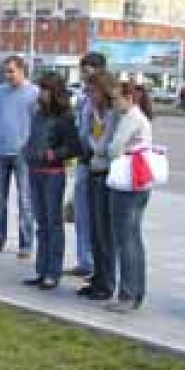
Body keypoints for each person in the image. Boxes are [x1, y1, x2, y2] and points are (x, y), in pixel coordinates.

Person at [21, 72, 82, 289]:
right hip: (35, 170)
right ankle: (42, 269)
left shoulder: (64, 117)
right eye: (41, 89)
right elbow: (33, 137)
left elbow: (74, 147)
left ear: (55, 92)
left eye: (46, 90)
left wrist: (54, 154)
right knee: (41, 223)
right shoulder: (38, 114)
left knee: (53, 223)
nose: (42, 94)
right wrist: (27, 150)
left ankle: (53, 272)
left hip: (53, 174)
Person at [0, 55, 38, 259]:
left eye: (11, 71)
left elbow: (38, 124)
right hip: (0, 152)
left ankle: (26, 244)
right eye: (5, 71)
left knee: (25, 201)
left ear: (22, 70)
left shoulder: (34, 93)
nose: (8, 75)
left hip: (23, 154)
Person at [104, 80, 154, 312]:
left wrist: (114, 150)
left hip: (128, 185)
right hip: (139, 183)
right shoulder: (138, 117)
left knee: (125, 240)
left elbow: (114, 148)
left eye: (116, 99)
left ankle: (127, 294)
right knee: (134, 239)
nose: (113, 103)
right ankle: (137, 291)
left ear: (129, 98)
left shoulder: (131, 118)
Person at [77, 71, 118, 301]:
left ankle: (107, 282)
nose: (90, 95)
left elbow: (106, 146)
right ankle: (98, 277)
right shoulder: (92, 112)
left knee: (105, 231)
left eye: (93, 91)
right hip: (93, 169)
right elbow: (86, 138)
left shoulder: (113, 114)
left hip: (107, 173)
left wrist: (94, 146)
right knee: (94, 228)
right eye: (88, 91)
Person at [69, 51, 106, 278]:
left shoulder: (104, 101)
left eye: (87, 70)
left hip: (98, 164)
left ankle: (97, 264)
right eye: (82, 70)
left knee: (97, 217)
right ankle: (84, 260)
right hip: (83, 161)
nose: (83, 74)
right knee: (81, 214)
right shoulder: (83, 98)